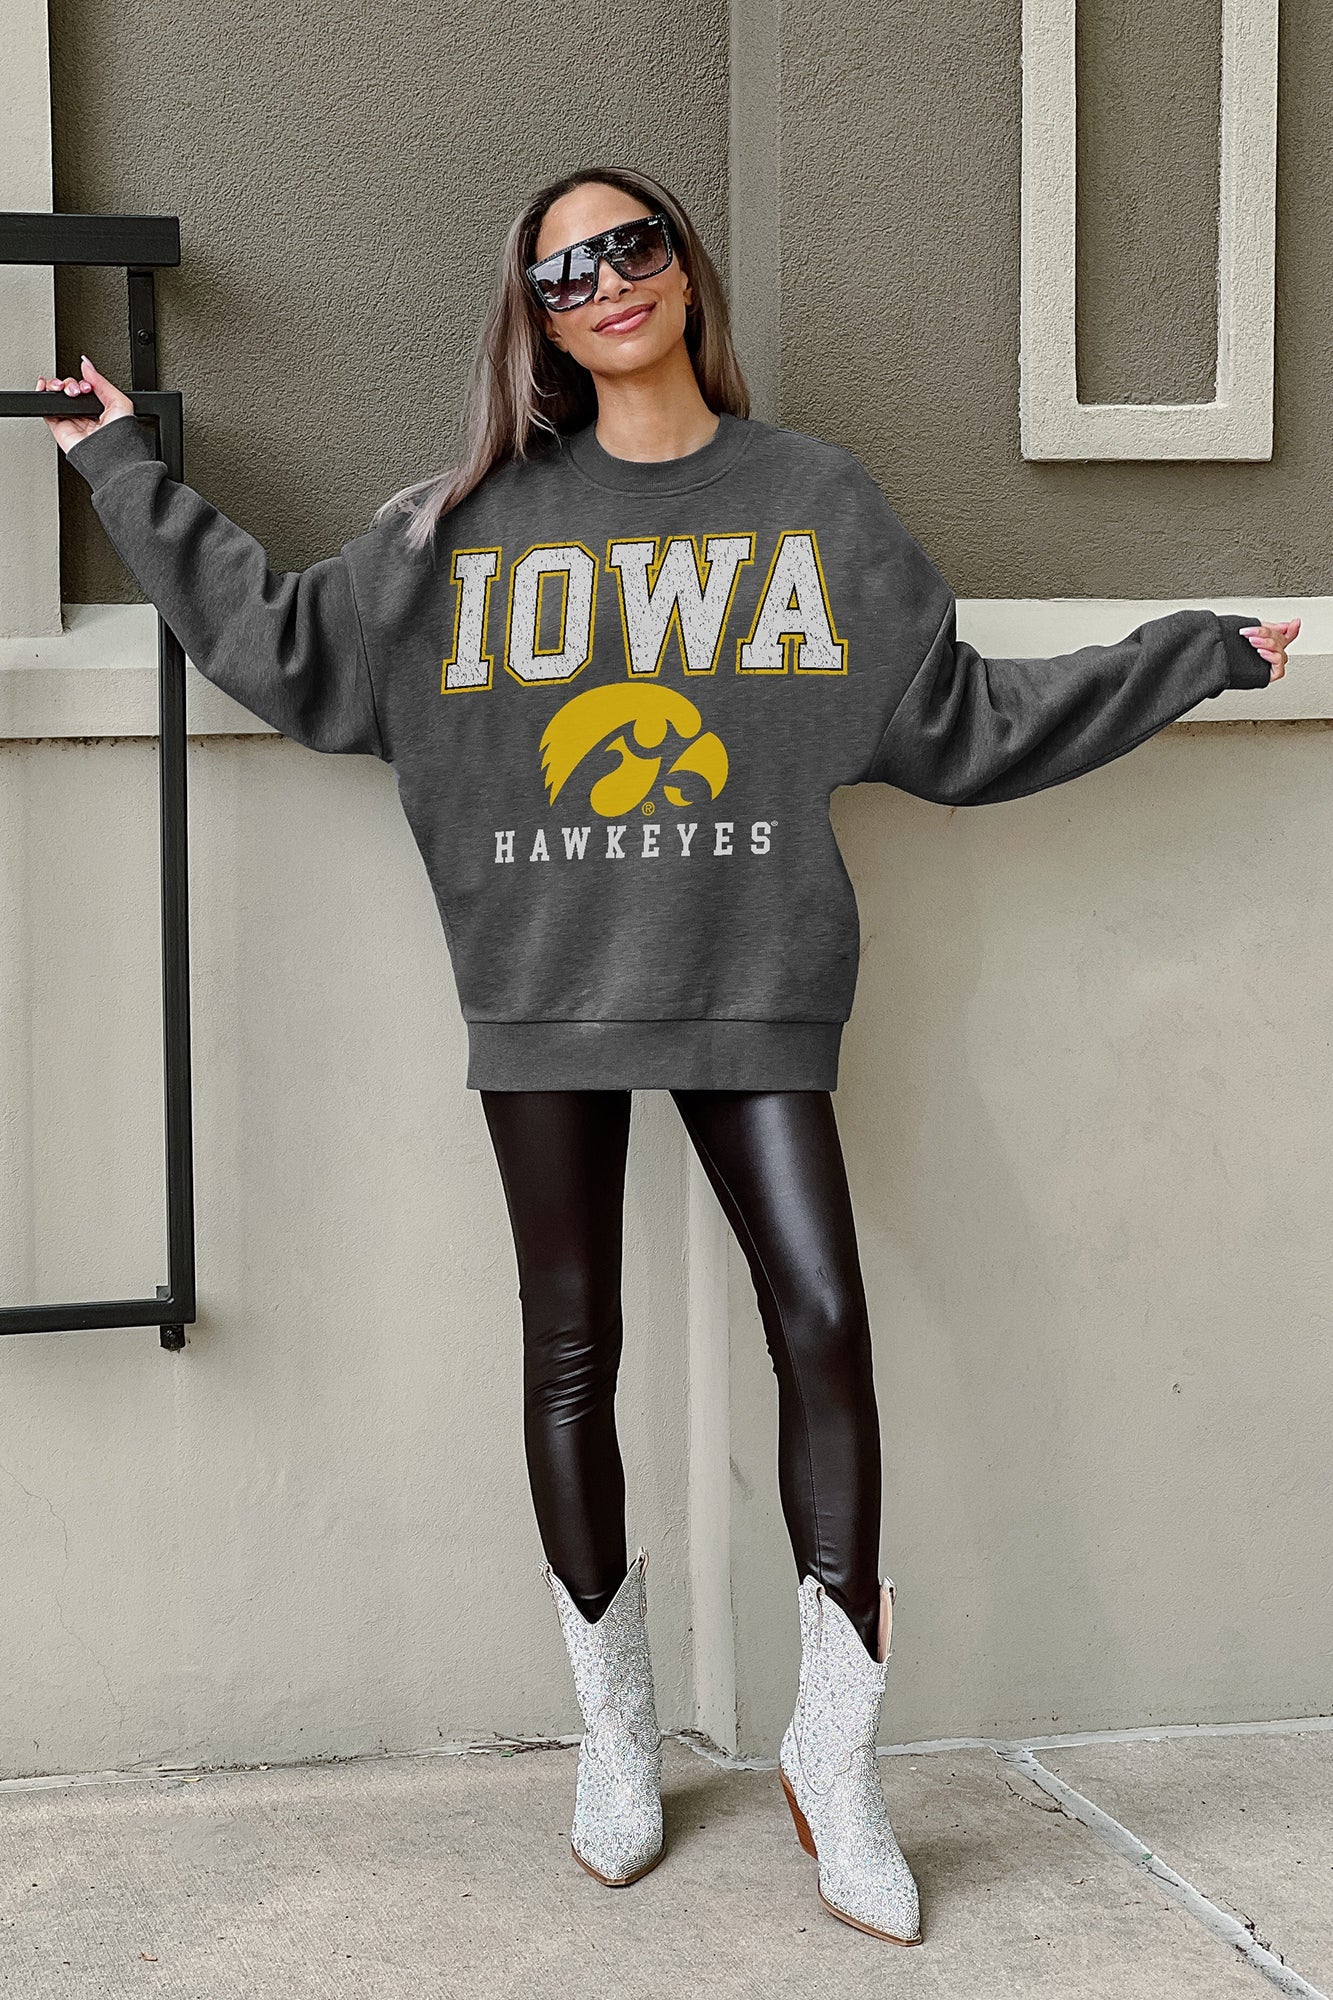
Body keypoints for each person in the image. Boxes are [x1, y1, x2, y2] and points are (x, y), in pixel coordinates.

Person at [40, 163, 1297, 1949]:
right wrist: (118, 466)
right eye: (564, 271)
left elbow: (958, 722)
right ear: (534, 320)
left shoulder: (809, 502)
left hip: (750, 974)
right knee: (573, 1350)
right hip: (544, 985)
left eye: (630, 246)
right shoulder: (463, 523)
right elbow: (284, 650)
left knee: (825, 1323)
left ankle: (833, 1756)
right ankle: (614, 1733)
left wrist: (1192, 657)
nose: (606, 282)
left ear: (684, 270)